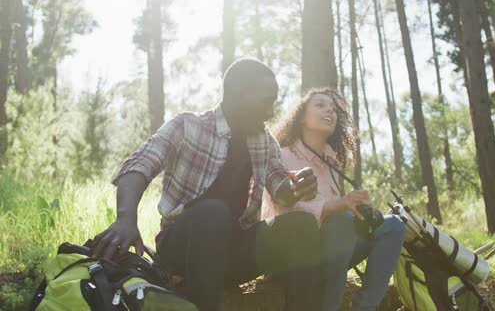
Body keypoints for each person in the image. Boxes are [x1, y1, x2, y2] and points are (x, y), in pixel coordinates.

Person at [92, 59, 323, 311]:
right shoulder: (187, 125)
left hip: (231, 253)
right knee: (213, 211)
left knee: (304, 225)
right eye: (266, 101)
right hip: (181, 253)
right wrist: (126, 218)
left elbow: (280, 188)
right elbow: (139, 165)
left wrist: (297, 187)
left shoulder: (264, 142)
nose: (270, 112)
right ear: (238, 96)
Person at [263, 88, 406, 311]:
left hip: (329, 255)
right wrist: (338, 206)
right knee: (341, 218)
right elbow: (283, 211)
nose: (330, 110)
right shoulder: (283, 155)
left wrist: (357, 212)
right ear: (301, 117)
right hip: (292, 258)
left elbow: (338, 222)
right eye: (320, 105)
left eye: (333, 109)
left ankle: (365, 307)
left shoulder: (333, 162)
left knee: (393, 226)